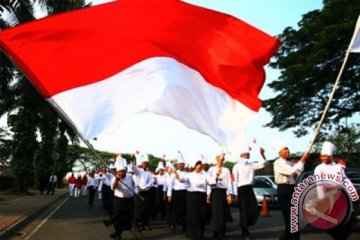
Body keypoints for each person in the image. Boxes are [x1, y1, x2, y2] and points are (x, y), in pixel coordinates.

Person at [314, 141, 352, 240]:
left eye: (325, 156)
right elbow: (319, 184)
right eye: (322, 156)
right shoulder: (319, 168)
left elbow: (345, 180)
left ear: (331, 156)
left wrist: (352, 192)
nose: (323, 158)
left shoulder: (338, 167)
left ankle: (342, 236)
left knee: (344, 220)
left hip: (341, 195)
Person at [273, 139, 309, 240]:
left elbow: (299, 171)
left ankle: (289, 236)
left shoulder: (290, 162)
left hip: (292, 189)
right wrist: (302, 159)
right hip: (283, 190)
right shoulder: (277, 163)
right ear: (280, 152)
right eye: (285, 150)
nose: (288, 151)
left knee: (294, 215)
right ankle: (291, 237)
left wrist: (303, 160)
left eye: (288, 149)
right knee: (289, 216)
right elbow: (291, 172)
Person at [232, 144, 267, 239]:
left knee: (255, 209)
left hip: (250, 189)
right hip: (241, 190)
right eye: (245, 155)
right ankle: (245, 231)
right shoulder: (236, 166)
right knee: (244, 211)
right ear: (241, 156)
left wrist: (262, 154)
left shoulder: (251, 165)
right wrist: (235, 193)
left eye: (248, 154)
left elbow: (263, 163)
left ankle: (245, 224)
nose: (247, 156)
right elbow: (234, 180)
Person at [176, 158, 211, 240]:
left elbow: (211, 182)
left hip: (202, 196)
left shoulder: (205, 174)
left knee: (202, 215)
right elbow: (183, 180)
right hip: (191, 196)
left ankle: (200, 234)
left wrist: (217, 176)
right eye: (198, 164)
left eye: (201, 164)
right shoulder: (190, 175)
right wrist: (177, 176)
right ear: (195, 166)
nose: (200, 166)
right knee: (193, 216)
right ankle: (193, 235)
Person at [108, 157, 137, 240]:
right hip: (119, 200)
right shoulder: (115, 178)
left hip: (129, 200)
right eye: (119, 171)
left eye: (123, 171)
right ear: (117, 172)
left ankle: (117, 232)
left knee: (127, 218)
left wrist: (135, 192)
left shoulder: (130, 176)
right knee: (118, 217)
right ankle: (117, 233)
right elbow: (113, 188)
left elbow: (134, 185)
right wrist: (117, 181)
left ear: (125, 171)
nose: (121, 173)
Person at [207, 154, 233, 239]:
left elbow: (229, 182)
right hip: (214, 191)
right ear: (216, 159)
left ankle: (221, 230)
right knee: (215, 212)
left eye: (222, 160)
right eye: (218, 160)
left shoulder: (226, 170)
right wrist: (208, 194)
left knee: (222, 212)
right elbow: (208, 182)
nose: (220, 161)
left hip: (223, 192)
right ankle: (215, 231)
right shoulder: (211, 169)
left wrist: (229, 194)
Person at [132, 153, 155, 231]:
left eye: (146, 163)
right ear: (141, 164)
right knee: (137, 209)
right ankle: (136, 224)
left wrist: (143, 188)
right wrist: (133, 160)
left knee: (146, 209)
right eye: (144, 163)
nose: (145, 164)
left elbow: (151, 182)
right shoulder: (138, 171)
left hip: (146, 193)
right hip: (138, 193)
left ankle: (145, 224)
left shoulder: (148, 173)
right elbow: (133, 167)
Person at [167, 151, 188, 232]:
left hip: (185, 193)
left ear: (184, 165)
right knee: (175, 209)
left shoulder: (187, 174)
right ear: (178, 165)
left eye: (182, 164)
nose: (181, 166)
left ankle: (184, 225)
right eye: (180, 164)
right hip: (176, 193)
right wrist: (169, 195)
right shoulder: (173, 174)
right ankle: (173, 224)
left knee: (184, 210)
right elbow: (170, 185)